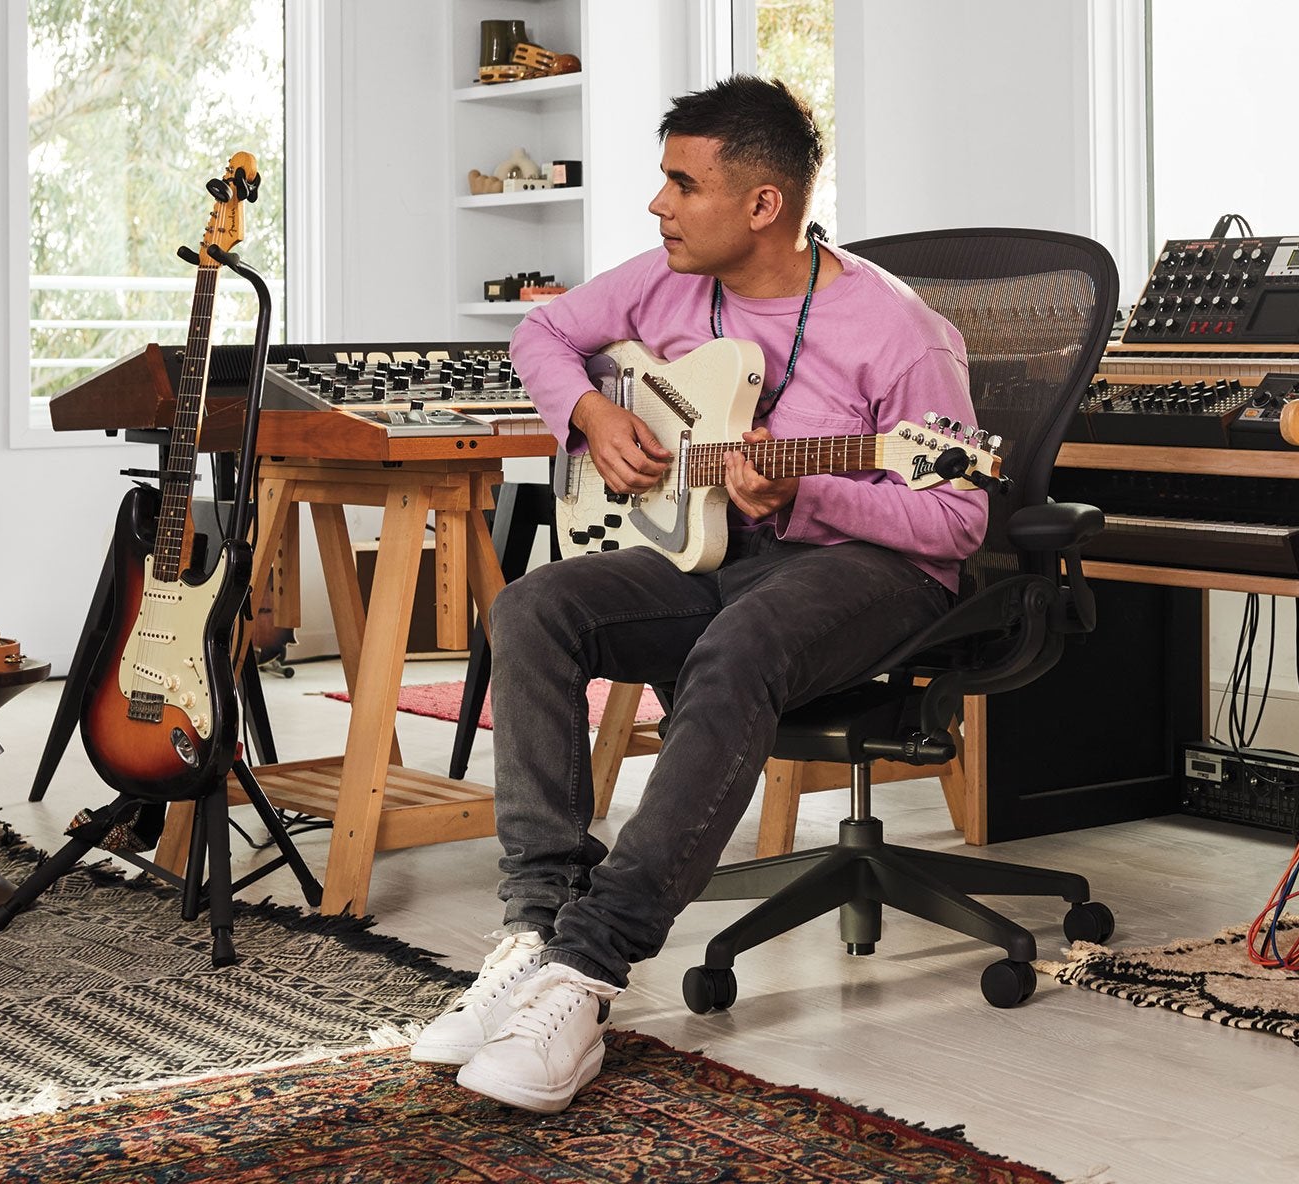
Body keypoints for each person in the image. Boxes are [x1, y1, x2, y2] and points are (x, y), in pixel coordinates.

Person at [408, 75, 986, 1113]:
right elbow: (541, 334)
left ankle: (586, 969)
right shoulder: (662, 280)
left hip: (870, 568)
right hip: (719, 545)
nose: (656, 205)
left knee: (738, 641)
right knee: (531, 608)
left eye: (682, 184)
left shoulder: (898, 330)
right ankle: (535, 926)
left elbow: (957, 523)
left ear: (763, 205)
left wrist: (812, 486)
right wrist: (588, 411)